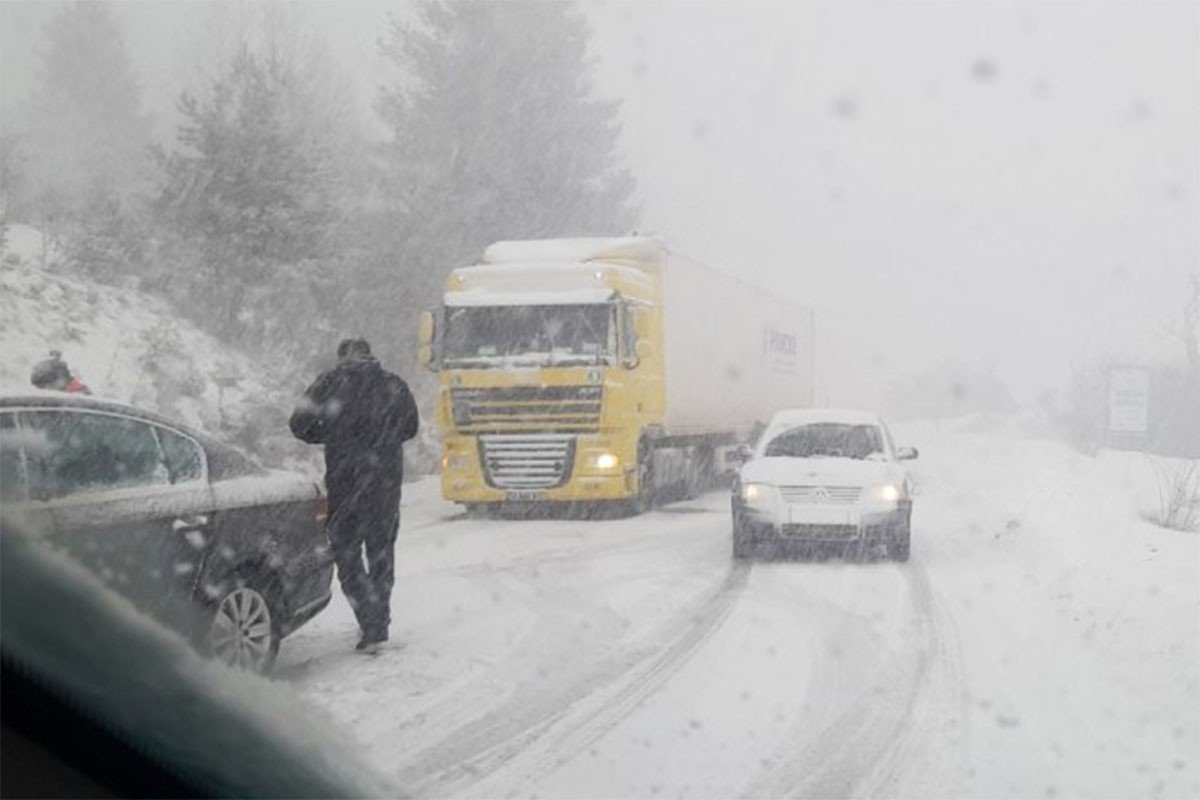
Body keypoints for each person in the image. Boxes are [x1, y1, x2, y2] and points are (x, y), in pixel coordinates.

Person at [289, 338, 418, 652]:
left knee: (346, 554)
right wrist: (383, 440)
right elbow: (411, 427)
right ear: (371, 355)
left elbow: (298, 425)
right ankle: (379, 622)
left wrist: (330, 434)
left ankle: (368, 620)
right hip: (385, 485)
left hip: (345, 484)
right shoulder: (394, 385)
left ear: (341, 357)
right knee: (381, 554)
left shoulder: (328, 384)